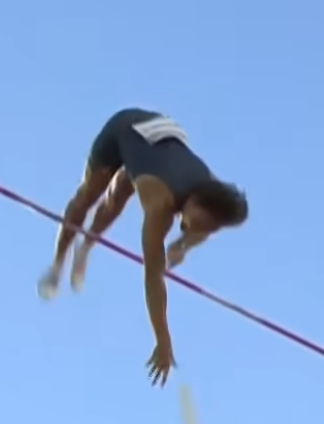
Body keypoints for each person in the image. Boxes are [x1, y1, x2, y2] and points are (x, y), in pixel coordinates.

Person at [40, 109, 249, 385]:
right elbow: (153, 277)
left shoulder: (212, 204)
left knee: (122, 197)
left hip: (160, 145)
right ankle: (58, 263)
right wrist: (163, 340)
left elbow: (201, 229)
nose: (199, 229)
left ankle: (86, 248)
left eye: (207, 228)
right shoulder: (159, 205)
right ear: (194, 201)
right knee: (91, 196)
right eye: (197, 222)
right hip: (123, 130)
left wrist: (181, 247)